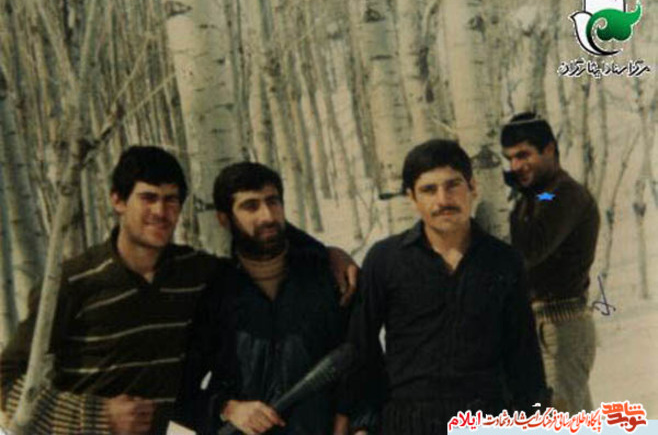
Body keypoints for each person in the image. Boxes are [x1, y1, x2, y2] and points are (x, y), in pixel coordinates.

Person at [0, 147, 357, 435]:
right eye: (148, 197)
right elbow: (4, 380)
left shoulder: (195, 274)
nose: (161, 211)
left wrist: (327, 254)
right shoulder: (74, 281)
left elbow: (260, 237)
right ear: (118, 201)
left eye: (171, 200)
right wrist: (96, 415)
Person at [347, 139, 547, 435]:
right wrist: (364, 422)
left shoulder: (503, 261)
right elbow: (361, 347)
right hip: (408, 422)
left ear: (472, 187)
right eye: (429, 190)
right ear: (412, 198)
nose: (443, 200)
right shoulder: (386, 260)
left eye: (453, 185)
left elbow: (524, 358)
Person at [175, 162, 370, 435]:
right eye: (250, 206)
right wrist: (228, 408)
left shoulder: (328, 278)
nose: (267, 215)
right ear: (224, 219)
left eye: (273, 202)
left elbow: (366, 359)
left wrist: (362, 425)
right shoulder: (212, 294)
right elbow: (178, 391)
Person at [501, 113, 600, 414]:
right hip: (546, 325)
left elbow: (529, 250)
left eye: (523, 155)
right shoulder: (543, 193)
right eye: (510, 159)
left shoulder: (566, 194)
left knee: (561, 420)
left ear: (549, 149)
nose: (516, 166)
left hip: (560, 324)